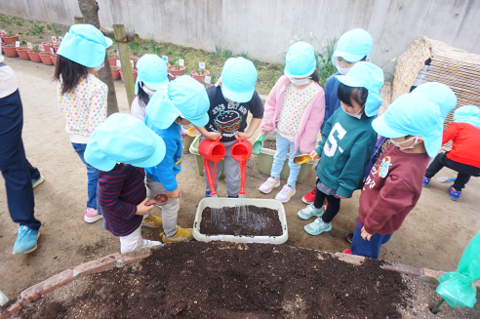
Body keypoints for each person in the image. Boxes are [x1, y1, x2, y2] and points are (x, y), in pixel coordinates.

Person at [345, 81, 457, 244]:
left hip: (376, 223)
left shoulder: (405, 175)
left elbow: (387, 203)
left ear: (417, 139)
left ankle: (358, 256)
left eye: (394, 133)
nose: (390, 138)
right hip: (372, 209)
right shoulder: (404, 146)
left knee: (363, 248)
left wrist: (370, 225)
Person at [297, 62, 384, 235]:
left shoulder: (367, 131)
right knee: (319, 186)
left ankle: (325, 222)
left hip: (339, 176)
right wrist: (321, 148)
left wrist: (346, 186)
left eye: (349, 104)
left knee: (332, 199)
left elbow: (357, 163)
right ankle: (316, 207)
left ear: (368, 103)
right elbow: (329, 129)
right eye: (342, 102)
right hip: (327, 164)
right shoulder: (344, 111)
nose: (344, 107)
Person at [302, 28, 374, 205]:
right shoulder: (334, 81)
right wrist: (325, 133)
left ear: (366, 60)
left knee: (342, 164)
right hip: (334, 133)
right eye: (339, 59)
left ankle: (333, 191)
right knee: (327, 163)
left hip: (349, 139)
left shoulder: (369, 89)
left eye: (349, 61)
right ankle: (320, 188)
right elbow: (325, 108)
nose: (342, 64)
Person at [54, 24, 112, 223]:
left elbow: (64, 108)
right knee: (98, 174)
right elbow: (96, 125)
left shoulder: (62, 79)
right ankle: (94, 208)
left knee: (93, 171)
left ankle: (96, 205)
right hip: (92, 141)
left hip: (74, 138)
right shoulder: (97, 87)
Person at [85, 113, 165, 253]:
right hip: (123, 219)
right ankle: (132, 258)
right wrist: (136, 210)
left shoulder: (122, 161)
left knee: (136, 231)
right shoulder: (113, 173)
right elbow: (107, 202)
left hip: (132, 206)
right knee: (130, 240)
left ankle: (139, 243)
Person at [144, 75, 210, 243]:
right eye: (192, 118)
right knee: (170, 205)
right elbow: (163, 166)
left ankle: (145, 218)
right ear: (178, 114)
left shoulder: (157, 111)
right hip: (160, 177)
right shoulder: (166, 138)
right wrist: (171, 188)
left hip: (149, 172)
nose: (192, 122)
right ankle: (171, 235)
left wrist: (181, 132)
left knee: (150, 196)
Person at [258, 41, 325, 202]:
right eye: (293, 76)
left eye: (300, 77)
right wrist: (267, 124)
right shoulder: (284, 82)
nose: (296, 80)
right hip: (281, 132)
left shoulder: (316, 93)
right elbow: (272, 103)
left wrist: (306, 145)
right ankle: (274, 178)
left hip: (297, 138)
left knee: (294, 162)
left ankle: (290, 186)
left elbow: (314, 123)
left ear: (313, 71)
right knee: (278, 156)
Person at [196, 57, 264, 198]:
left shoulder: (252, 95)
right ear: (220, 83)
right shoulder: (209, 94)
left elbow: (258, 113)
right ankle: (210, 194)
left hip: (234, 142)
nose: (235, 101)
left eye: (241, 99)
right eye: (231, 97)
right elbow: (195, 115)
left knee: (233, 174)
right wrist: (205, 133)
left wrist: (250, 133)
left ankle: (233, 198)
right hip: (211, 143)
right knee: (212, 170)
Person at [0, 54, 44, 254]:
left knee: (8, 159)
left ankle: (27, 224)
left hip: (2, 97)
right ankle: (31, 174)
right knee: (8, 151)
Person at [423, 105, 480, 201]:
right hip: (477, 168)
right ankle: (456, 190)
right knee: (469, 165)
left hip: (456, 159)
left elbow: (443, 138)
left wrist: (429, 147)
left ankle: (426, 177)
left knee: (440, 157)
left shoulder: (459, 125)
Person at [130, 54, 169, 121]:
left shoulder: (168, 96)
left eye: (160, 87)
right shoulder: (138, 105)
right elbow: (138, 129)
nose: (156, 91)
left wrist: (182, 131)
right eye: (152, 87)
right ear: (140, 82)